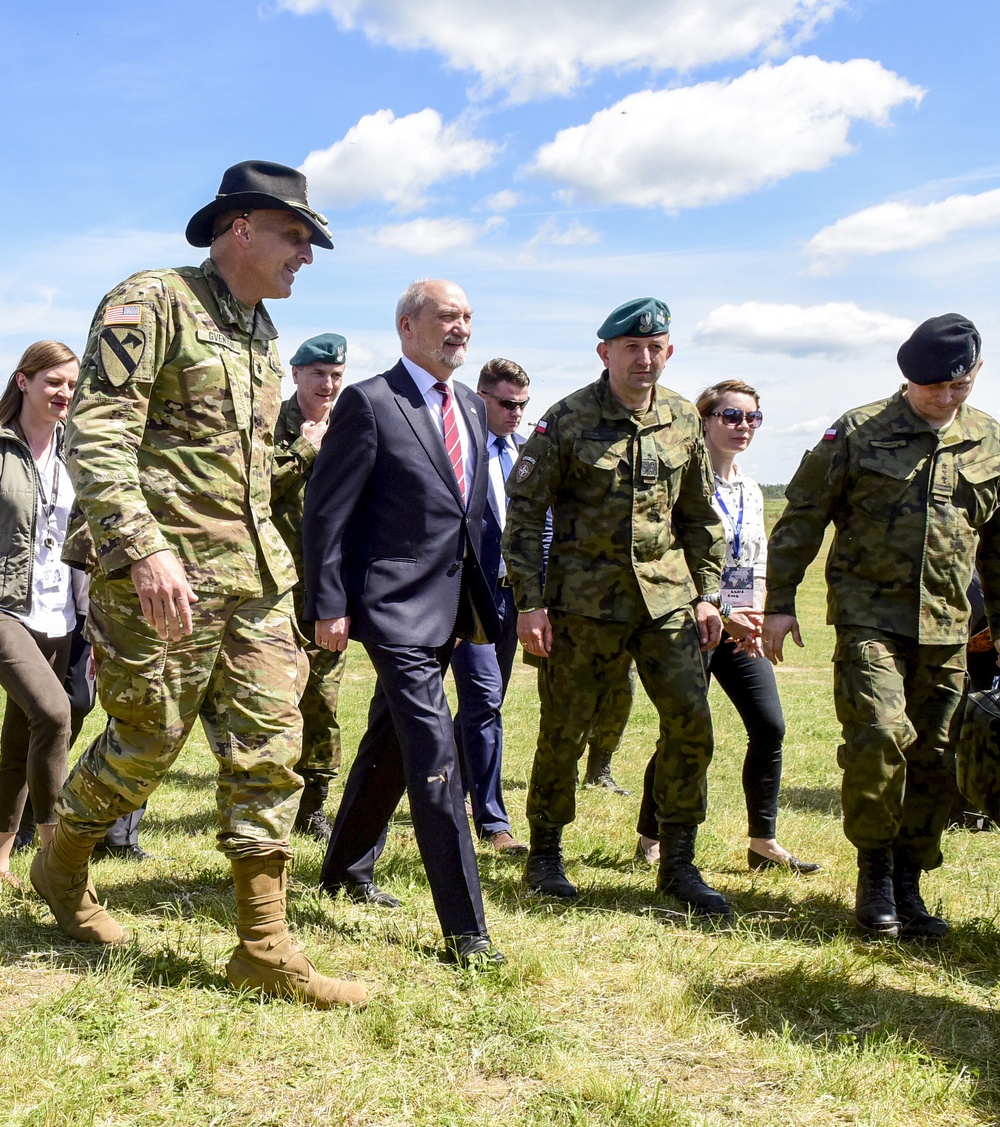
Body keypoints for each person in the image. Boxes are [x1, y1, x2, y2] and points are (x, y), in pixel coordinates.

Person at [31, 160, 366, 1008]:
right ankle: (62, 865)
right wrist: (143, 549)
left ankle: (264, 946)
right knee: (145, 744)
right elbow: (98, 434)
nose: (307, 255)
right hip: (160, 584)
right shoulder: (150, 301)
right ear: (240, 229)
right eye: (296, 236)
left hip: (253, 583)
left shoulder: (260, 333)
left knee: (270, 749)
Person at [763, 314, 1000, 938]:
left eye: (959, 386)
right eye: (932, 389)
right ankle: (873, 876)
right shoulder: (859, 431)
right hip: (871, 618)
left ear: (975, 375)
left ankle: (909, 881)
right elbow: (803, 516)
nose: (945, 399)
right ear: (907, 379)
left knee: (937, 756)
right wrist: (779, 602)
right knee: (878, 738)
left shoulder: (988, 440)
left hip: (950, 625)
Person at [504, 297, 731, 916]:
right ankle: (545, 853)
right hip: (583, 604)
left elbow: (700, 517)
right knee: (565, 728)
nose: (644, 357)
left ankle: (679, 863)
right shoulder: (568, 420)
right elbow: (523, 516)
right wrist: (529, 603)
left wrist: (709, 594)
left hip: (667, 603)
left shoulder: (685, 418)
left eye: (655, 346)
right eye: (631, 347)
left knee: (690, 723)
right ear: (605, 352)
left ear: (669, 352)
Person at [305, 279, 505, 966]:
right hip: (389, 607)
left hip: (448, 610)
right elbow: (327, 511)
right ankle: (467, 932)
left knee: (391, 741)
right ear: (407, 325)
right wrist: (328, 602)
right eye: (447, 316)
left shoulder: (474, 406)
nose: (461, 328)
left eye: (468, 317)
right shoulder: (370, 400)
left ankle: (343, 870)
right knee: (434, 752)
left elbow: (467, 512)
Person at [635, 380, 818, 874]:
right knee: (685, 729)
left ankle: (763, 842)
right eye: (732, 416)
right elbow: (668, 555)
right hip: (691, 622)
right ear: (704, 421)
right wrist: (711, 604)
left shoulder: (751, 490)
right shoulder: (681, 483)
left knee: (769, 726)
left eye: (752, 418)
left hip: (741, 626)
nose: (743, 427)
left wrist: (755, 612)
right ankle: (653, 836)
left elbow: (754, 558)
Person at [0, 342, 80, 889]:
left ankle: (1, 855)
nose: (64, 394)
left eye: (72, 385)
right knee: (53, 714)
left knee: (16, 739)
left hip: (60, 613)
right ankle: (57, 860)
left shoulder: (75, 453)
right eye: (53, 381)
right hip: (4, 606)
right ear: (24, 381)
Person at [450, 358, 531, 855]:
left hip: (512, 598)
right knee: (483, 699)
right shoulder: (459, 449)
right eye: (506, 403)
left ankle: (449, 796)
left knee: (486, 703)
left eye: (522, 404)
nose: (516, 413)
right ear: (481, 399)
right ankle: (493, 823)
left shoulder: (524, 454)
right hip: (464, 599)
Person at [271, 332, 349, 844]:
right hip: (271, 589)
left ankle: (314, 806)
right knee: (272, 703)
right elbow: (253, 487)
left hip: (326, 589)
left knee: (324, 702)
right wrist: (304, 447)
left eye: (336, 376)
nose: (327, 384)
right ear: (296, 374)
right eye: (318, 374)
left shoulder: (351, 425)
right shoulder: (264, 424)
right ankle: (267, 798)